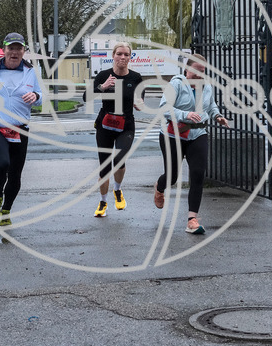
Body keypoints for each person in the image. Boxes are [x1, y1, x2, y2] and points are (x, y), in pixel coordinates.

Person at [152, 54, 230, 235]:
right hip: (173, 135)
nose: (199, 75)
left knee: (197, 174)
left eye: (202, 71)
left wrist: (218, 116)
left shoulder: (206, 86)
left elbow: (211, 106)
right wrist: (184, 115)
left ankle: (192, 220)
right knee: (172, 176)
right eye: (196, 70)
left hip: (198, 134)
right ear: (187, 69)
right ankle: (160, 187)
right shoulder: (177, 84)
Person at [0, 32, 43, 227]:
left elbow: (41, 95)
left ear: (24, 51)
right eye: (11, 48)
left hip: (20, 129)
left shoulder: (31, 71)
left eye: (19, 49)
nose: (14, 52)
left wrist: (36, 97)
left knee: (15, 173)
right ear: (4, 49)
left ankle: (6, 210)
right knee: (2, 163)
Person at [91, 42, 143, 217]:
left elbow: (140, 99)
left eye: (126, 54)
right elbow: (86, 96)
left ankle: (118, 190)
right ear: (113, 55)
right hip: (105, 126)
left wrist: (139, 103)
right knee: (105, 167)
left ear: (130, 57)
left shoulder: (136, 77)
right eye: (119, 54)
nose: (122, 57)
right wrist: (103, 87)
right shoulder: (104, 75)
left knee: (119, 159)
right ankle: (103, 202)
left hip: (125, 126)